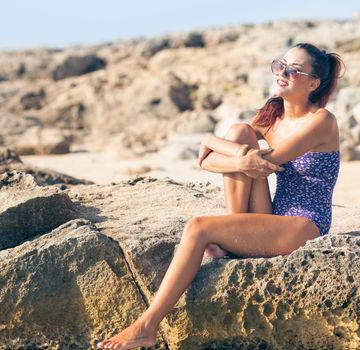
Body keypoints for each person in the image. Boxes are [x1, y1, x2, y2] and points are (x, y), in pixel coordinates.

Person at [96, 42, 344, 350]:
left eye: (294, 71)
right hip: (272, 215)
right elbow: (209, 160)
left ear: (312, 83)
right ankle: (234, 229)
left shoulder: (321, 121)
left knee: (198, 227)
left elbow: (261, 162)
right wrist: (231, 152)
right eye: (280, 65)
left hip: (305, 225)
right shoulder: (273, 116)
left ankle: (146, 327)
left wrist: (217, 146)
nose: (282, 73)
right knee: (240, 131)